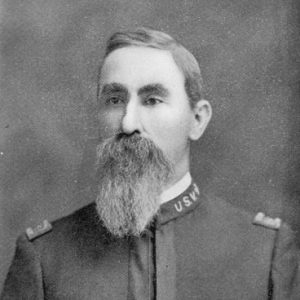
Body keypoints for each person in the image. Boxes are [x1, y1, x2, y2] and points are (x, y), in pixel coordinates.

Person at [1, 28, 300, 300]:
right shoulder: (45, 256)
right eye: (115, 100)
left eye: (152, 100)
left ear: (197, 120)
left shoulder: (264, 252)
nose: (128, 123)